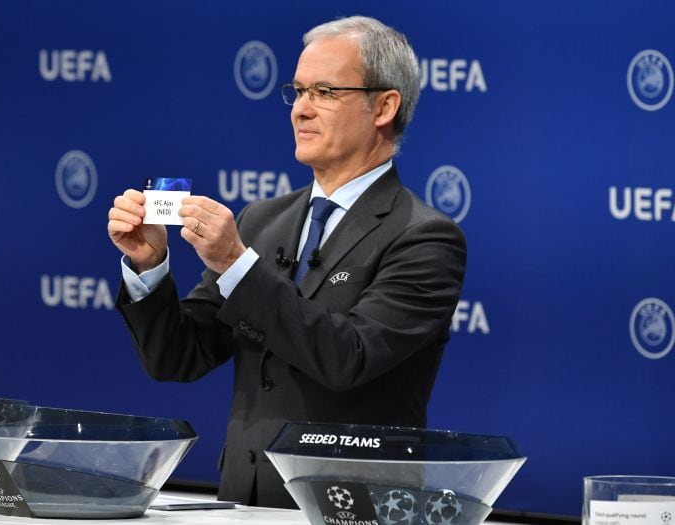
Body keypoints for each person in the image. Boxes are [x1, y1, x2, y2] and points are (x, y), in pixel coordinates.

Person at [106, 15, 466, 508]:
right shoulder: (262, 220)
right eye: (296, 91)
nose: (300, 109)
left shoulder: (424, 238)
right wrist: (149, 267)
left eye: (324, 92)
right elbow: (180, 357)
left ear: (384, 106)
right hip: (246, 501)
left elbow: (348, 359)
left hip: (353, 508)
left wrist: (237, 263)